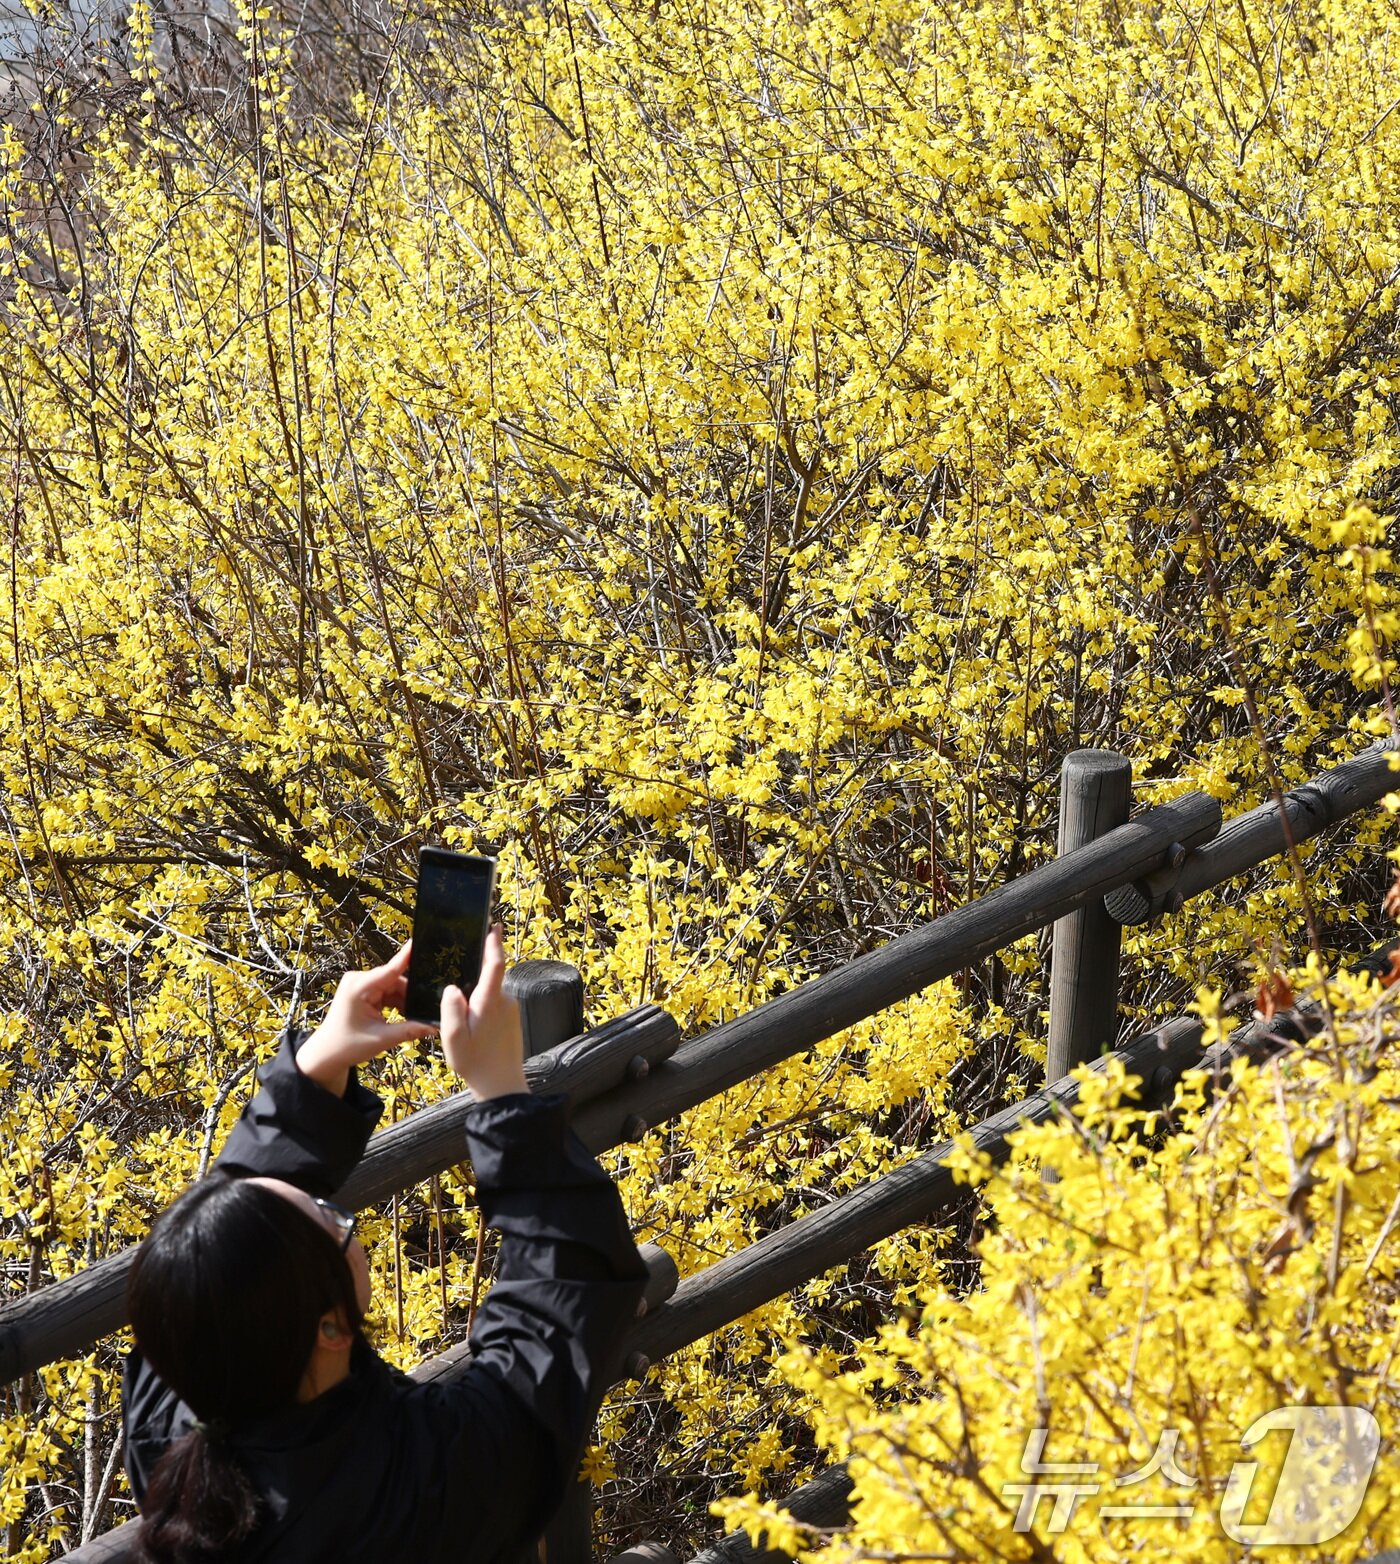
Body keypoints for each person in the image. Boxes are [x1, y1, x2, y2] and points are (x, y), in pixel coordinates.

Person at [121, 928, 647, 1563]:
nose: (332, 1208)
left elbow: (227, 1245)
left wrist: (316, 1070)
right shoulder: (426, 1486)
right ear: (332, 1329)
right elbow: (567, 1293)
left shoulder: (174, 1426)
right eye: (330, 1219)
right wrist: (505, 1096)